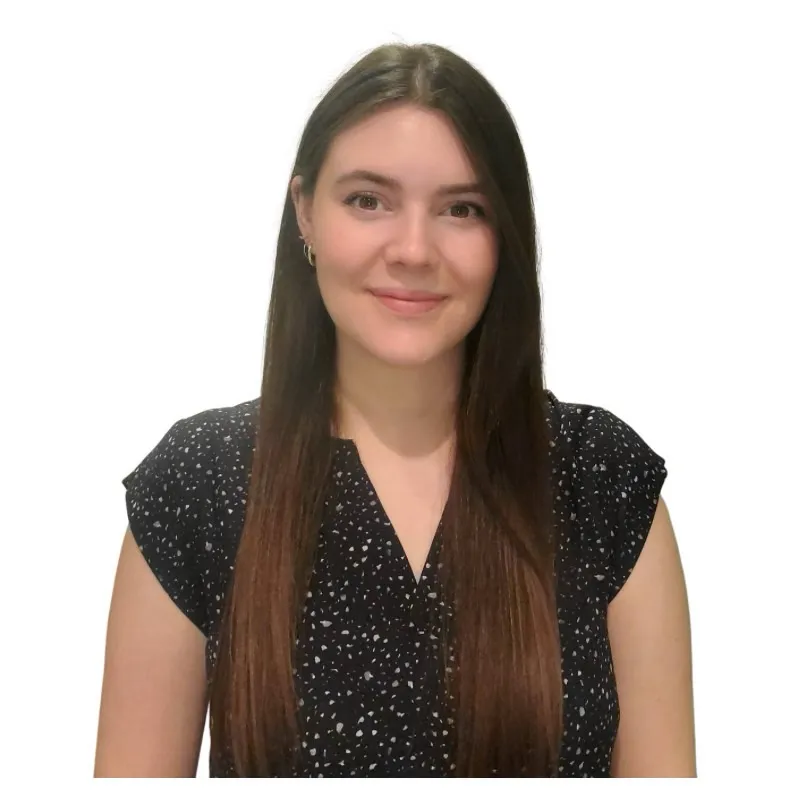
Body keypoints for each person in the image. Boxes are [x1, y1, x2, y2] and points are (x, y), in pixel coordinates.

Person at [94, 42, 695, 778]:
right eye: (367, 200)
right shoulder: (197, 487)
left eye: (462, 209)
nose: (413, 248)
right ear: (305, 214)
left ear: (505, 236)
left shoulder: (600, 482)